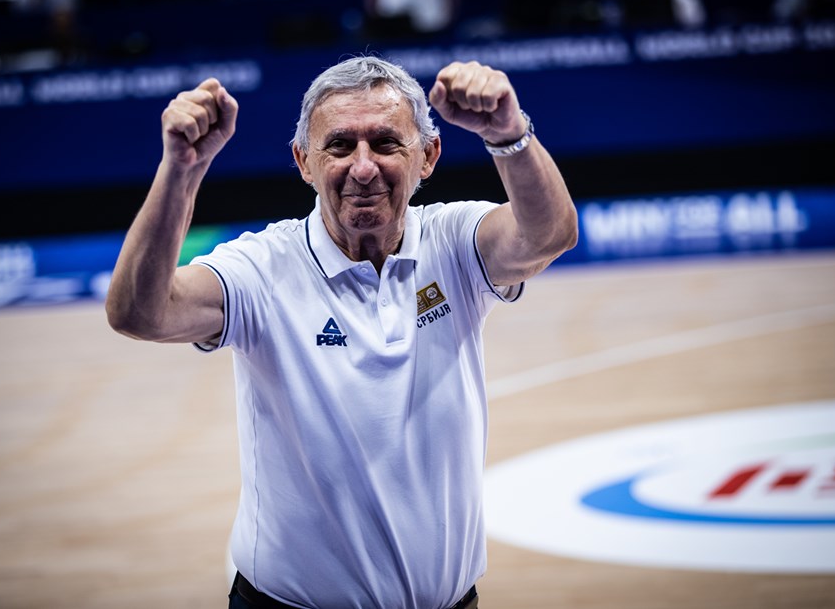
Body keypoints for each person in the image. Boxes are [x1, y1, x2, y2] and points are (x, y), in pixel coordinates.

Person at [105, 55, 578, 608]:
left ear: (428, 155)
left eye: (384, 143)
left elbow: (549, 235)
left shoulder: (454, 242)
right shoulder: (263, 269)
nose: (362, 167)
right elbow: (140, 312)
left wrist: (507, 134)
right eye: (338, 146)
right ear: (303, 161)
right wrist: (180, 171)